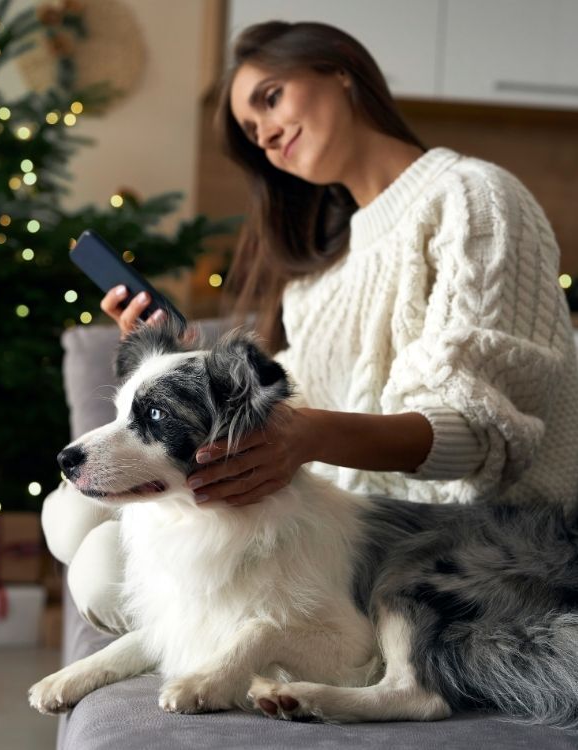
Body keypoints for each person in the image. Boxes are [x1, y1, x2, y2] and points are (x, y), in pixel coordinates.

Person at [48, 20, 578, 635]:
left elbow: (478, 436)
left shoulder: (473, 199)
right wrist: (179, 366)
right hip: (339, 522)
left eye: (270, 98)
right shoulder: (321, 270)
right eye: (252, 134)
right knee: (69, 512)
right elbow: (289, 403)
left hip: (463, 545)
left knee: (100, 564)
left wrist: (308, 436)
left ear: (339, 69)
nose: (267, 135)